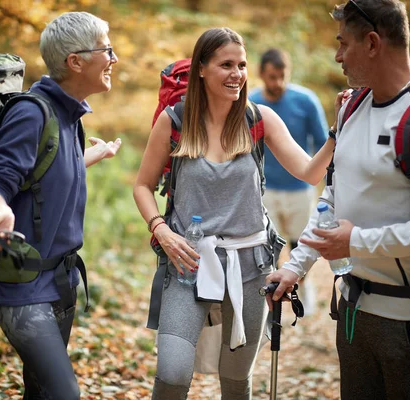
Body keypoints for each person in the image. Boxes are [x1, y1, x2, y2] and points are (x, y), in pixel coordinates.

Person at [265, 1, 410, 399]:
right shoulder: (351, 108)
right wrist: (295, 267)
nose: (337, 55)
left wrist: (356, 242)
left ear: (373, 42)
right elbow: (331, 199)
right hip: (352, 309)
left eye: (343, 44)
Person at [133, 27, 336, 399]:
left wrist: (338, 131)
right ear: (201, 69)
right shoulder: (174, 122)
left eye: (241, 65)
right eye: (226, 64)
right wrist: (160, 229)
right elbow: (142, 185)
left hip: (250, 264)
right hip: (187, 262)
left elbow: (310, 172)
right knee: (173, 369)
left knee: (235, 376)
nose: (237, 74)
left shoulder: (259, 120)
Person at [0, 12, 121, 399]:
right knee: (63, 394)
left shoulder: (69, 116)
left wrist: (93, 156)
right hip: (22, 284)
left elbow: (46, 173)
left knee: (39, 393)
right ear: (76, 61)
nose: (114, 58)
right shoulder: (31, 113)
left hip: (60, 281)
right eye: (107, 49)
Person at [249, 48, 329, 315]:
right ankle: (269, 298)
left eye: (282, 76)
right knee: (268, 245)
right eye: (272, 77)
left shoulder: (305, 100)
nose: (277, 83)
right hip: (265, 189)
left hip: (299, 189)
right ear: (261, 74)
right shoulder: (250, 103)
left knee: (299, 243)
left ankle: (302, 294)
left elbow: (322, 142)